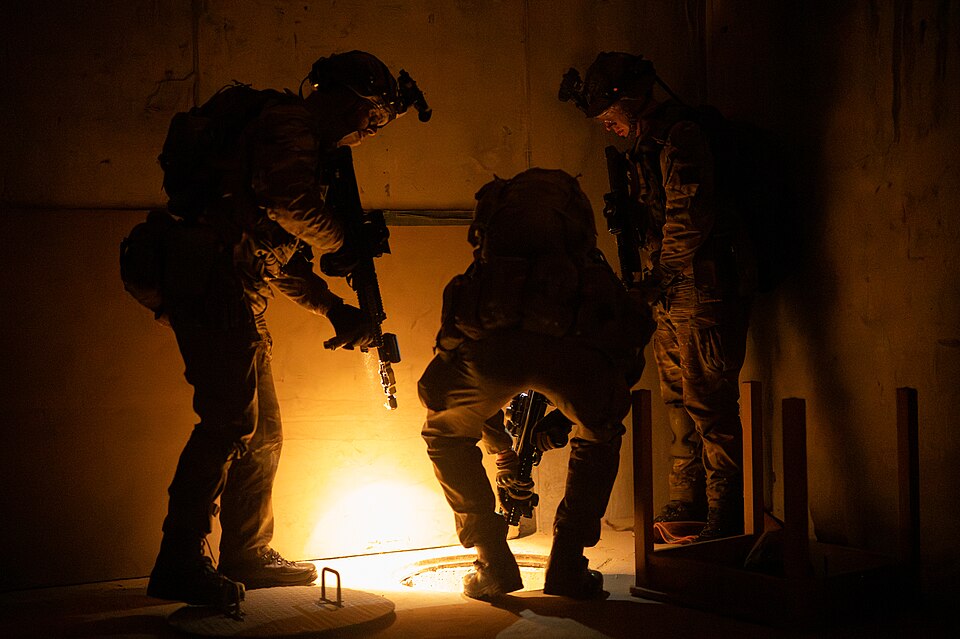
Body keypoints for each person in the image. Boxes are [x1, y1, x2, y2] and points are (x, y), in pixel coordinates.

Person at [140, 50, 427, 607]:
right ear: (349, 99)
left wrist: (332, 307)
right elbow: (290, 204)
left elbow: (276, 252)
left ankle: (246, 550)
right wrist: (344, 240)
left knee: (263, 429)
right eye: (370, 120)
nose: (366, 134)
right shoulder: (292, 125)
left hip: (232, 282)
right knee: (227, 423)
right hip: (210, 280)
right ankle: (178, 561)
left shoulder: (288, 141)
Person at [418, 168, 654, 599]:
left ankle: (492, 562)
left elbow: (453, 350)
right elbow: (623, 354)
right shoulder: (583, 267)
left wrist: (501, 451)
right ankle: (567, 562)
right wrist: (569, 424)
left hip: (492, 352)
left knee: (446, 435)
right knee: (599, 435)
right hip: (574, 354)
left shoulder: (489, 269)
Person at [559, 52, 753, 542]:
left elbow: (690, 217)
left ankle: (724, 512)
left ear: (631, 99)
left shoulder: (679, 138)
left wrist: (661, 274)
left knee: (708, 399)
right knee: (675, 400)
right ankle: (686, 498)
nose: (608, 128)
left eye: (609, 117)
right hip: (670, 288)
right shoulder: (647, 144)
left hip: (701, 286)